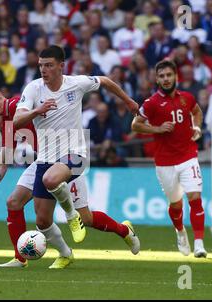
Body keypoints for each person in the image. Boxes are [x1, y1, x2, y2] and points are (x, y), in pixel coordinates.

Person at [0, 85, 140, 269]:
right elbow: (2, 165)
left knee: (86, 219)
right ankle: (29, 257)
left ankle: (124, 230)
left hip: (66, 159)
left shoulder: (23, 103)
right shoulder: (8, 124)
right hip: (42, 162)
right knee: (15, 203)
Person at [12, 45, 139, 268]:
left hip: (76, 155)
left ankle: (71, 216)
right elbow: (16, 121)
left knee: (51, 180)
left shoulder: (77, 83)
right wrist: (36, 111)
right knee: (44, 221)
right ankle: (117, 232)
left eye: (49, 65)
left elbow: (106, 81)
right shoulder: (33, 89)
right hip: (46, 159)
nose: (44, 70)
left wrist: (127, 101)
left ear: (61, 66)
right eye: (41, 65)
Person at [131, 59, 207, 258]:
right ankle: (180, 232)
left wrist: (197, 127)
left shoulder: (187, 98)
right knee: (176, 204)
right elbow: (135, 125)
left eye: (169, 75)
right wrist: (156, 128)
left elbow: (197, 112)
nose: (166, 79)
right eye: (162, 76)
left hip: (188, 155)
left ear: (176, 77)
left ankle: (199, 243)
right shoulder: (151, 103)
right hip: (165, 162)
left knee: (195, 198)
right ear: (157, 79)